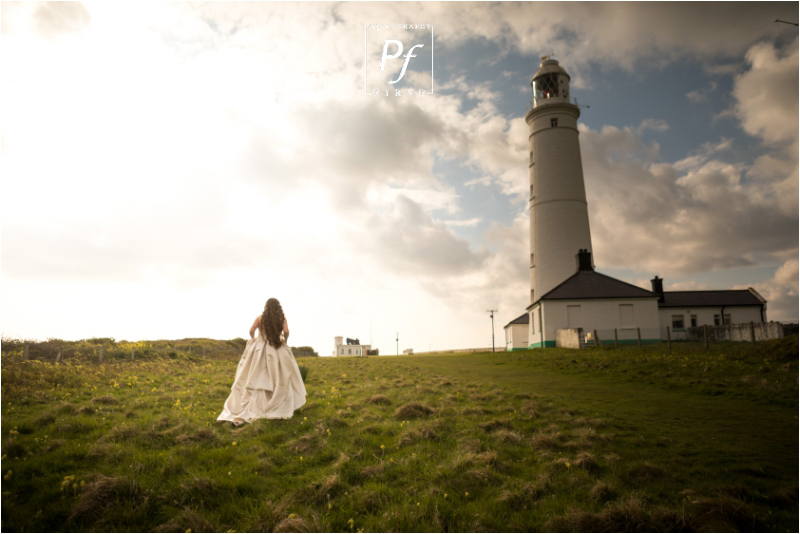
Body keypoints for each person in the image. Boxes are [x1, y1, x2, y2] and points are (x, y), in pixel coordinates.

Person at [217, 298, 306, 424]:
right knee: (278, 376)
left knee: (257, 375)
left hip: (260, 348)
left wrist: (254, 338)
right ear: (278, 307)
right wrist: (284, 340)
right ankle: (276, 402)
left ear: (266, 307)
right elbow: (286, 331)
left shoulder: (260, 318)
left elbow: (251, 330)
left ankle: (253, 405)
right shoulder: (281, 319)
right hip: (276, 348)